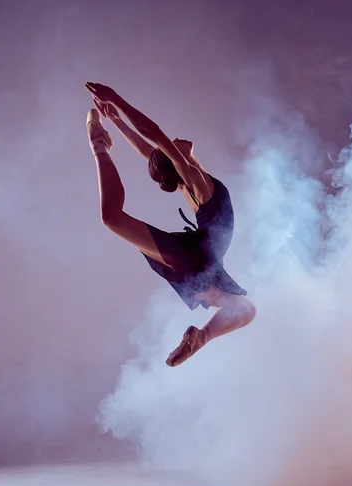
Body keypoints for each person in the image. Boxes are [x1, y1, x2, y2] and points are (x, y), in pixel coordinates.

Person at [85, 82, 256, 367]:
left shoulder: (185, 184)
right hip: (199, 253)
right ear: (175, 161)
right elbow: (155, 136)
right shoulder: (194, 181)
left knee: (245, 310)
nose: (174, 140)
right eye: (172, 147)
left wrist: (116, 121)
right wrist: (117, 99)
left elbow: (147, 151)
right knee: (111, 218)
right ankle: (98, 145)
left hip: (198, 259)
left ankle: (199, 338)